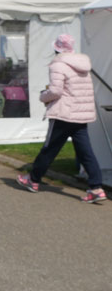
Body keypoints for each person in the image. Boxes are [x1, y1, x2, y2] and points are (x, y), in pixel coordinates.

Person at [17, 34, 107, 203]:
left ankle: (33, 179)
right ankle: (96, 188)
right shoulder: (83, 64)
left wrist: (43, 96)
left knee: (50, 148)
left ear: (56, 48)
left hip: (63, 114)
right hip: (81, 114)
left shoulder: (58, 64)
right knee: (85, 152)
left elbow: (56, 91)